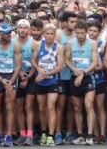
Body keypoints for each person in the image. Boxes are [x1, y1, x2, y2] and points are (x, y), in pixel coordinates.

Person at [0, 23, 21, 147]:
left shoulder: (15, 45)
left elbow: (18, 65)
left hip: (11, 76)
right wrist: (1, 80)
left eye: (10, 33)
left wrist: (11, 81)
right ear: (0, 34)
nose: (9, 35)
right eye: (6, 33)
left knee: (9, 106)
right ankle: (0, 134)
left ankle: (9, 135)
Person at [65, 20, 98, 145]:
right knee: (77, 107)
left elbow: (94, 62)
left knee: (88, 105)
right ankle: (80, 134)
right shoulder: (70, 43)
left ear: (86, 32)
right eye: (77, 33)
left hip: (88, 77)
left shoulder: (92, 44)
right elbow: (67, 60)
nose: (80, 36)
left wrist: (83, 73)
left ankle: (89, 135)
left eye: (82, 33)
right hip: (74, 76)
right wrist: (75, 70)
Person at [32, 23, 64, 146]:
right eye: (47, 34)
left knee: (51, 107)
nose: (49, 36)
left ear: (55, 35)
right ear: (44, 34)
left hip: (53, 80)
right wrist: (38, 70)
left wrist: (45, 73)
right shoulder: (39, 45)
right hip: (40, 81)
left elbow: (59, 66)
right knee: (41, 108)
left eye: (52, 34)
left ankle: (51, 134)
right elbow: (33, 61)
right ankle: (44, 133)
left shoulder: (59, 47)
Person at [55, 11, 77, 144]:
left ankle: (69, 132)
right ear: (64, 23)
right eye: (71, 22)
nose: (74, 24)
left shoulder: (78, 35)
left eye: (75, 21)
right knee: (60, 105)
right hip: (60, 75)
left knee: (72, 105)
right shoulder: (57, 35)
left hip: (74, 75)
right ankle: (57, 132)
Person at [14, 19, 37, 146]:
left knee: (28, 106)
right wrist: (18, 74)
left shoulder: (34, 44)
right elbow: (11, 61)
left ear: (29, 30)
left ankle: (30, 134)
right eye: (20, 28)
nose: (22, 30)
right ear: (17, 29)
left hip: (31, 77)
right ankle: (22, 134)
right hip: (16, 76)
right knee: (18, 107)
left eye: (25, 28)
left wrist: (27, 78)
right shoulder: (13, 43)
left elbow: (35, 64)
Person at [87, 21, 107, 143]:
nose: (92, 33)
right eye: (90, 30)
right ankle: (94, 133)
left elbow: (104, 64)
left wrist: (93, 68)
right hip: (88, 79)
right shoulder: (85, 44)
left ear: (99, 32)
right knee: (91, 106)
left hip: (100, 79)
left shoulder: (102, 44)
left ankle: (103, 134)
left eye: (95, 31)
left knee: (100, 106)